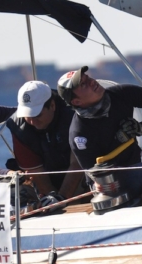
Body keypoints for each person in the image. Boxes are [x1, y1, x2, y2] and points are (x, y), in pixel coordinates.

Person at [59, 66, 142, 204]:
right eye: (83, 84)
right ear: (77, 102)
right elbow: (93, 176)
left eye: (87, 78)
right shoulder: (79, 134)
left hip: (136, 170)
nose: (91, 81)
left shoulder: (121, 94)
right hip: (109, 187)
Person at [5, 80, 85, 209]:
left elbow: (77, 164)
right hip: (44, 183)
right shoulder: (18, 128)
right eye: (27, 116)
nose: (32, 121)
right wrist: (51, 198)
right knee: (13, 194)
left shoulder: (74, 115)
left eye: (37, 115)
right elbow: (36, 172)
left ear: (52, 105)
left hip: (80, 176)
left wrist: (61, 199)